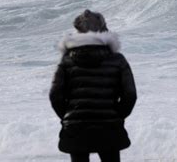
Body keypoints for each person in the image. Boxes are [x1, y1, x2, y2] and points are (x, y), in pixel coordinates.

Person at [50, 10, 137, 162]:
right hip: (109, 126)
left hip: (76, 127)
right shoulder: (117, 59)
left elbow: (54, 95)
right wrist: (117, 115)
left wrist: (67, 116)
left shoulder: (66, 60)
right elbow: (130, 95)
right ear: (103, 30)